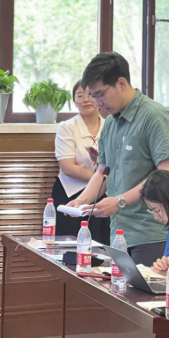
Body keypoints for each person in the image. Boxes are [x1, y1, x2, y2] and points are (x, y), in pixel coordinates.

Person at [68, 52, 169, 265]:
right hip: (119, 234)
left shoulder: (156, 117)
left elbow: (167, 176)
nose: (97, 103)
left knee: (145, 288)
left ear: (121, 83)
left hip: (153, 233)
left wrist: (120, 201)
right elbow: (103, 172)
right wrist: (81, 201)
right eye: (93, 96)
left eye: (100, 94)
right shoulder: (111, 123)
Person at [52, 80, 109, 243]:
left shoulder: (110, 126)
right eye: (79, 96)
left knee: (101, 245)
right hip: (70, 193)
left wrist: (102, 181)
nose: (85, 99)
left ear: (99, 98)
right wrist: (99, 178)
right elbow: (68, 167)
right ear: (74, 101)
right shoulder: (67, 127)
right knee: (71, 246)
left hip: (104, 195)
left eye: (90, 94)